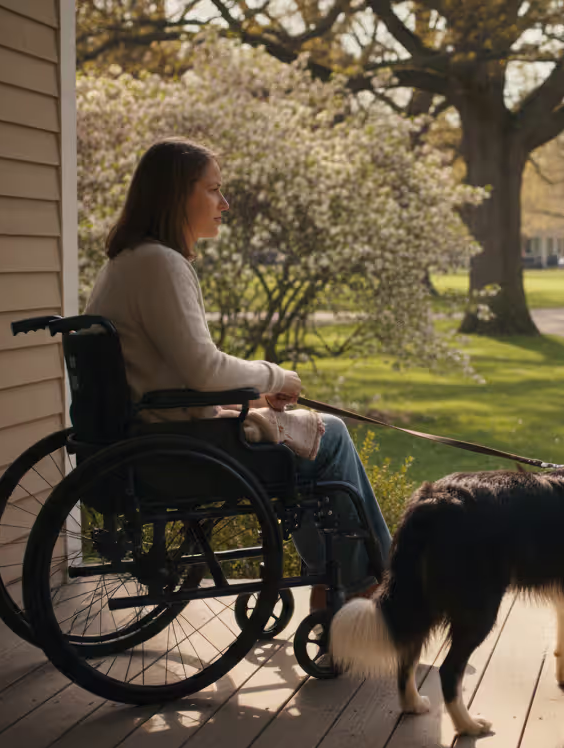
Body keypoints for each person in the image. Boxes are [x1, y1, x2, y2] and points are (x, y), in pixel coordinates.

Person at [83, 138, 394, 628]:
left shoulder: (127, 263)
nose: (224, 204)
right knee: (330, 437)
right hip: (179, 449)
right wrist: (277, 375)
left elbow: (189, 371)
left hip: (149, 435)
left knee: (311, 433)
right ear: (176, 195)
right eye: (214, 190)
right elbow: (205, 370)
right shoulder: (161, 264)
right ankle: (364, 588)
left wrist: (252, 393)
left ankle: (338, 585)